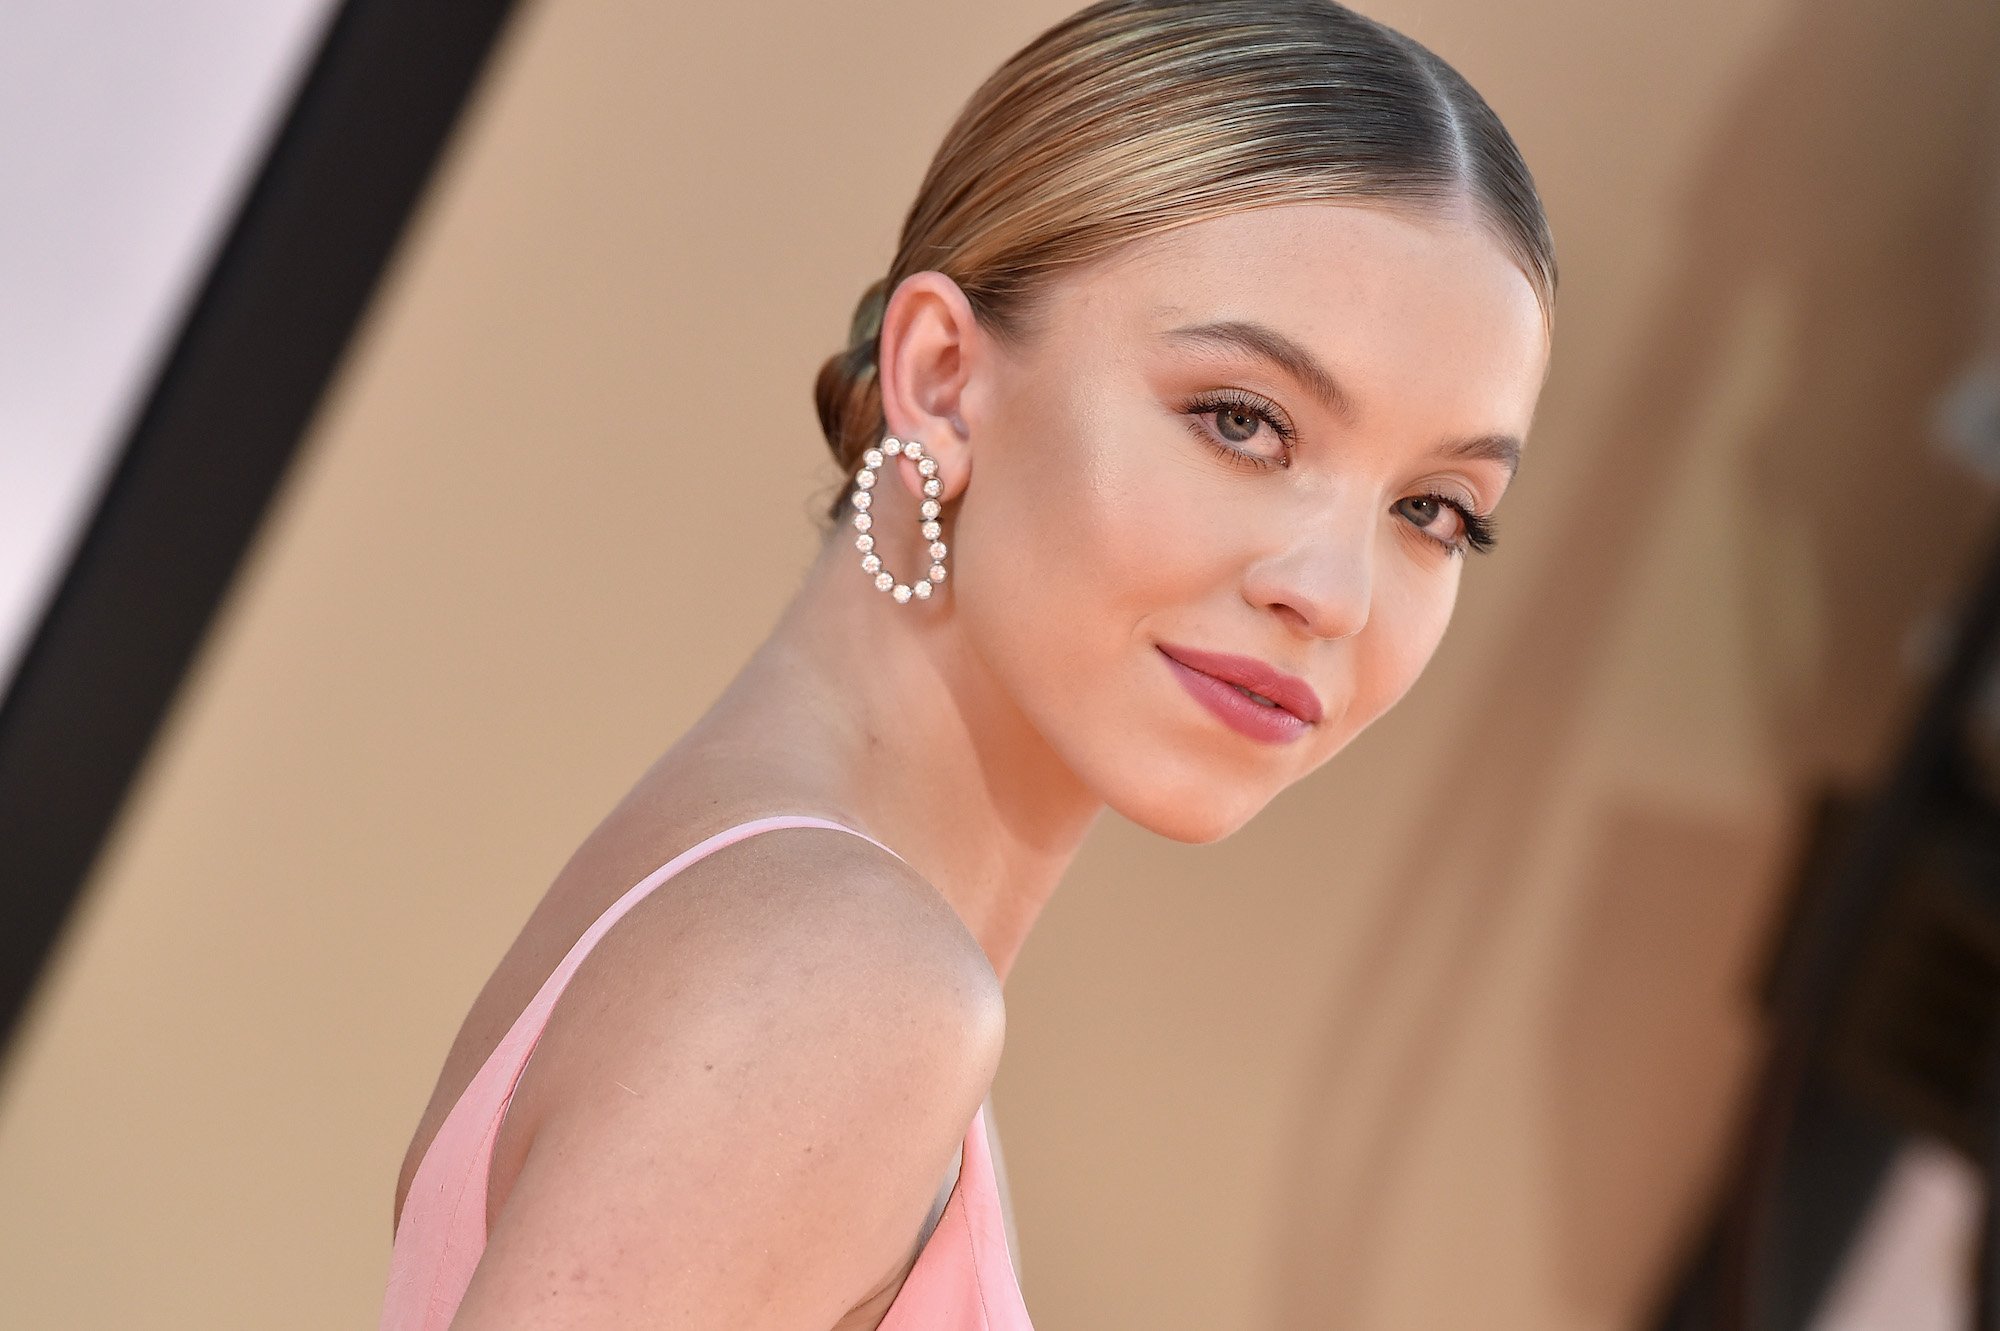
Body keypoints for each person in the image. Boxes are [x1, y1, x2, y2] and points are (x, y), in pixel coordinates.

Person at [378, 0, 1557, 1325]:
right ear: (942, 378)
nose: (1331, 593)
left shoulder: (748, 889)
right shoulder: (841, 983)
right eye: (1244, 421)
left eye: (1435, 510)